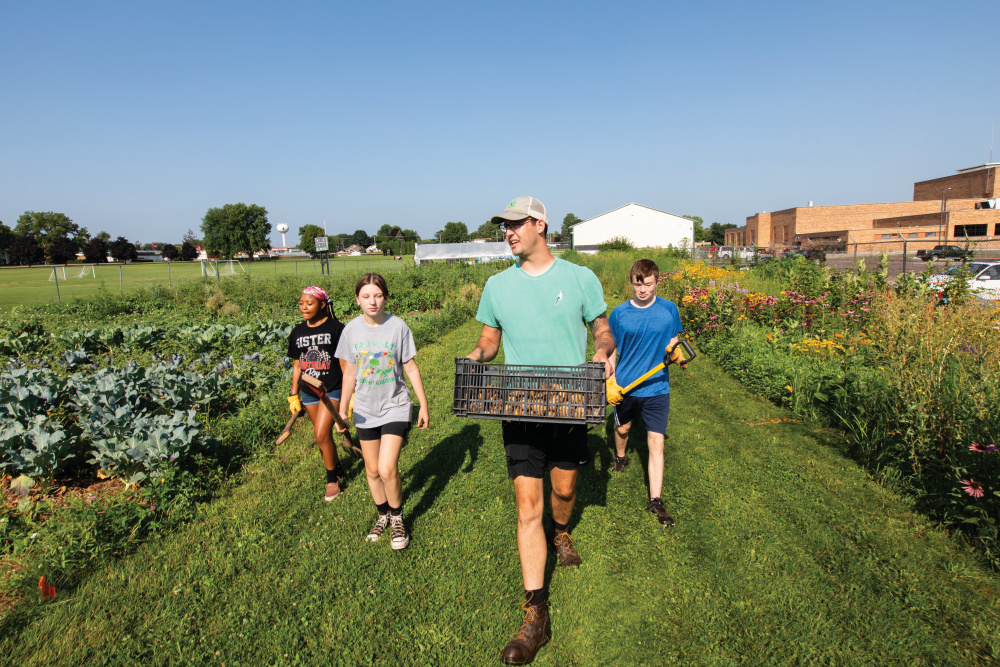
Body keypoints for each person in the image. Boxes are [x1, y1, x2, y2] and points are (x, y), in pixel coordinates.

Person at [466, 196, 615, 665]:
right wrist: (476, 357)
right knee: (529, 508)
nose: (508, 233)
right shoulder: (496, 285)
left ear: (540, 225)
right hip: (520, 404)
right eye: (504, 227)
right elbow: (490, 338)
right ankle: (535, 614)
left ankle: (564, 531)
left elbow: (602, 326)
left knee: (564, 492)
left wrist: (603, 350)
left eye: (515, 225)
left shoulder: (579, 278)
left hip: (570, 402)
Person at [337, 273, 429, 551]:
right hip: (364, 410)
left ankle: (398, 519)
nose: (372, 301)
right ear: (357, 299)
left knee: (388, 469)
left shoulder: (397, 327)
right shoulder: (351, 331)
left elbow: (410, 366)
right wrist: (342, 410)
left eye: (377, 295)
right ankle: (382, 515)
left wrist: (423, 404)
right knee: (372, 470)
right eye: (366, 296)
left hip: (395, 406)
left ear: (385, 297)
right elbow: (349, 373)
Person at [608, 259, 685, 527]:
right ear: (632, 282)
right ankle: (620, 456)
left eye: (648, 285)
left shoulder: (668, 309)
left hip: (657, 386)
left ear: (657, 282)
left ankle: (656, 499)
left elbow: (674, 340)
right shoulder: (619, 314)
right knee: (623, 430)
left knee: (656, 442)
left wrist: (674, 351)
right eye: (638, 285)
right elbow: (612, 349)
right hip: (627, 385)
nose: (643, 290)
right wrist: (611, 377)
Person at [287, 286, 348, 501]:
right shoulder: (297, 331)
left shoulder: (337, 328)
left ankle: (332, 480)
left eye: (309, 303)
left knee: (320, 435)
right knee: (323, 437)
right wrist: (294, 395)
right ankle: (337, 467)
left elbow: (344, 364)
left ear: (322, 304)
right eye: (302, 303)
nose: (304, 307)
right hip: (308, 392)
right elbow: (297, 365)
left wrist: (348, 397)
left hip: (331, 388)